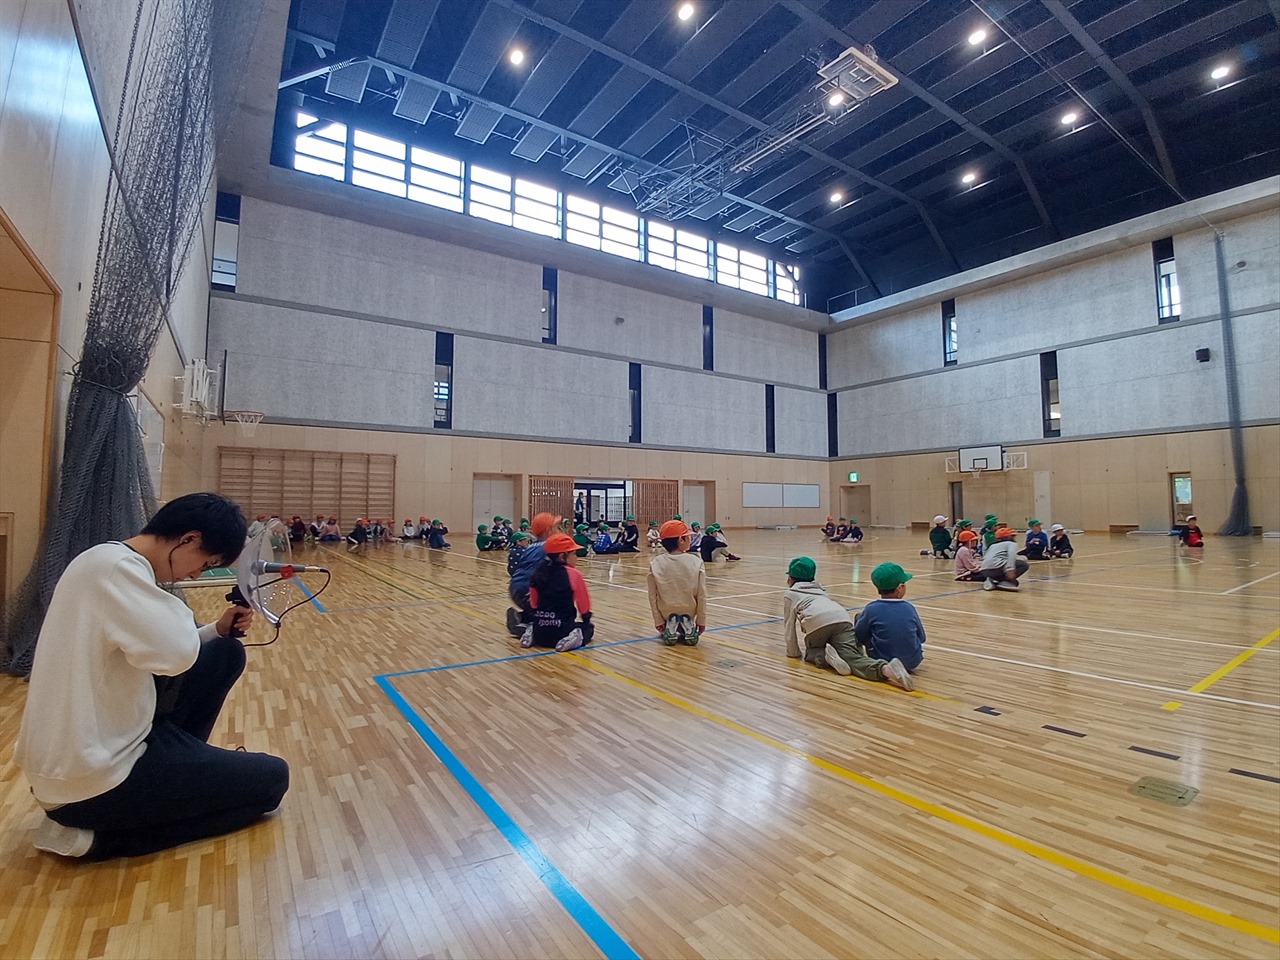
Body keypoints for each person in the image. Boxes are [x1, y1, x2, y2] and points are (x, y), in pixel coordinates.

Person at [14, 492, 289, 860]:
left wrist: (215, 630)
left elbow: (164, 650)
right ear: (188, 539)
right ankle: (102, 841)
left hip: (98, 752)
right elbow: (175, 656)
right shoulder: (117, 571)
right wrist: (178, 608)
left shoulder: (105, 561)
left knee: (224, 651)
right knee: (272, 780)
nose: (195, 573)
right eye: (203, 563)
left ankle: (182, 768)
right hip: (91, 783)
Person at [783, 557, 913, 690]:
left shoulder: (790, 593)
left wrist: (793, 653)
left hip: (816, 623)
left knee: (811, 653)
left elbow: (789, 627)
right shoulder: (821, 589)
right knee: (853, 658)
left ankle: (826, 657)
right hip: (841, 618)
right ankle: (887, 670)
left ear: (790, 579)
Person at [523, 533, 594, 652]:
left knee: (537, 625)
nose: (576, 557)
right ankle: (574, 638)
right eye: (574, 554)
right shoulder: (573, 574)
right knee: (588, 629)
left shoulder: (538, 572)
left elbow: (534, 603)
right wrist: (586, 620)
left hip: (540, 632)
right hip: (563, 631)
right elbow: (583, 603)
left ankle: (531, 633)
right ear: (562, 556)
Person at [853, 562, 926, 673]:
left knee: (860, 618)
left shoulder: (871, 609)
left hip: (882, 660)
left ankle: (859, 655)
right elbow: (921, 637)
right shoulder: (909, 608)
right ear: (900, 588)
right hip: (912, 661)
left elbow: (859, 635)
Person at [647, 520, 707, 646]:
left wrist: (658, 620)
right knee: (688, 612)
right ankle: (687, 623)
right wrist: (701, 620)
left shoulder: (655, 563)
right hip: (689, 608)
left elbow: (652, 596)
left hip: (666, 610)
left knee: (666, 608)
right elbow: (702, 595)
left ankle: (671, 624)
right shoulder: (696, 562)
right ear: (681, 540)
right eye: (688, 537)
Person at [507, 512, 558, 636]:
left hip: (515, 587)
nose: (558, 529)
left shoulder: (531, 547)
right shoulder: (550, 546)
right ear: (548, 530)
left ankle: (523, 616)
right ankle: (528, 624)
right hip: (528, 591)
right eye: (555, 526)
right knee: (554, 619)